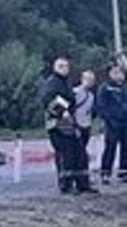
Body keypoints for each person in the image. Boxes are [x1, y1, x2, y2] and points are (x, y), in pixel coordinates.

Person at [37, 56, 94, 194]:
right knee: (65, 154)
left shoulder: (67, 83)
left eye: (66, 66)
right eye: (60, 66)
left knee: (80, 153)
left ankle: (83, 184)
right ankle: (66, 185)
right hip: (57, 124)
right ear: (55, 68)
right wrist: (62, 111)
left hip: (72, 124)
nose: (64, 69)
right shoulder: (51, 83)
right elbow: (47, 99)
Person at [94, 63, 127, 183]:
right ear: (109, 74)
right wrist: (110, 120)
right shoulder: (105, 88)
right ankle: (105, 174)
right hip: (112, 125)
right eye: (115, 72)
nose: (118, 75)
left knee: (126, 149)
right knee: (110, 149)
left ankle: (123, 173)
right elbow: (101, 106)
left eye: (120, 72)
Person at [72, 68, 98, 155]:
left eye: (92, 80)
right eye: (87, 79)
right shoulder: (74, 92)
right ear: (82, 79)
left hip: (86, 126)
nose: (90, 82)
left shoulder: (91, 96)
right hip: (75, 125)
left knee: (83, 148)